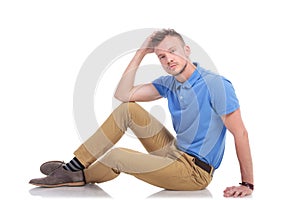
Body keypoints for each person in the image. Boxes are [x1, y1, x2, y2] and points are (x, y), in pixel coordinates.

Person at [29, 29, 254, 198]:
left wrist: (247, 184)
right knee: (128, 110)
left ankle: (77, 175)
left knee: (117, 156)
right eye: (161, 57)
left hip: (194, 172)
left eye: (172, 51)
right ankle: (75, 165)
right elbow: (123, 94)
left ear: (187, 50)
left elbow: (241, 134)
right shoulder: (169, 84)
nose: (169, 60)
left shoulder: (216, 85)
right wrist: (140, 53)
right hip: (174, 152)